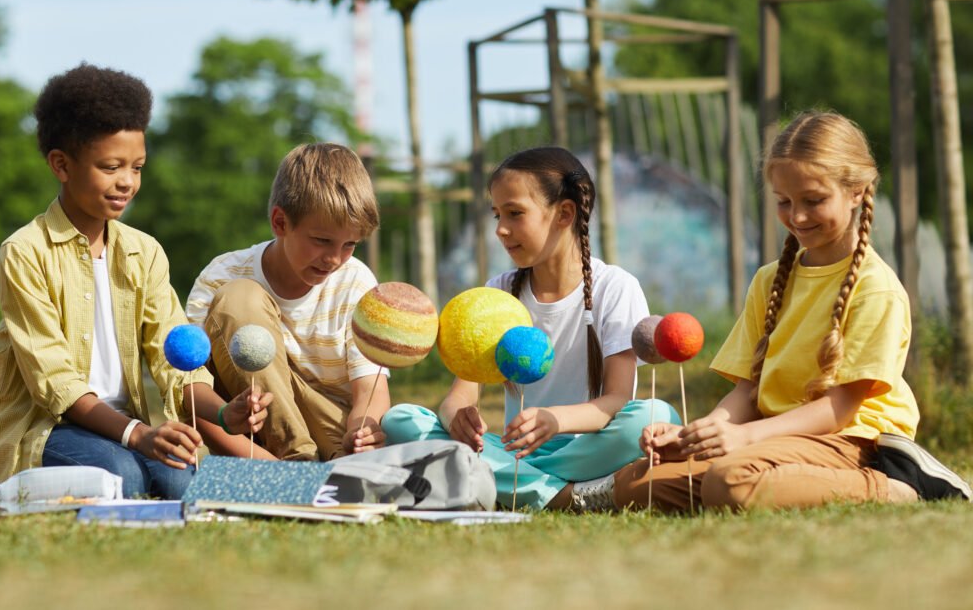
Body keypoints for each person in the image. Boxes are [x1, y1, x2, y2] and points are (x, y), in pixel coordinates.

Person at [612, 110, 971, 512]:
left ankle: (891, 489)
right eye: (784, 202)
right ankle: (751, 480)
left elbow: (838, 410)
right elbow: (748, 390)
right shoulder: (769, 281)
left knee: (730, 481)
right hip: (772, 440)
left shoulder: (876, 288)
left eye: (814, 200)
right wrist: (705, 432)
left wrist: (746, 439)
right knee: (634, 482)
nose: (797, 217)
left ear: (856, 191)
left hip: (848, 443)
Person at [0, 63, 270, 499]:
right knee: (125, 478)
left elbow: (174, 360)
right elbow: (54, 383)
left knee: (176, 478)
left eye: (137, 167)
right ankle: (2, 478)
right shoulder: (24, 252)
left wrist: (227, 413)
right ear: (61, 164)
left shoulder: (144, 252)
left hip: (122, 425)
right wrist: (137, 435)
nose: (127, 182)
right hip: (47, 426)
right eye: (111, 167)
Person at [382, 146, 679, 511]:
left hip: (590, 444)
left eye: (515, 213)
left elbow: (617, 399)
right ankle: (571, 494)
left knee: (655, 417)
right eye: (496, 215)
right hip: (514, 451)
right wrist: (456, 418)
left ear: (564, 214)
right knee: (401, 421)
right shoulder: (498, 293)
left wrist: (556, 420)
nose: (501, 230)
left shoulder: (615, 287)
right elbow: (461, 394)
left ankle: (506, 482)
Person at [186, 142, 387, 462]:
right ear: (280, 222)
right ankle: (298, 465)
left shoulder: (356, 282)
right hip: (256, 443)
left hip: (332, 435)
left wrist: (364, 431)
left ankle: (328, 473)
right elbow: (192, 397)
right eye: (322, 241)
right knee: (239, 298)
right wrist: (267, 465)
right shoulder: (220, 276)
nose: (335, 259)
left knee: (405, 426)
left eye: (349, 244)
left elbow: (371, 391)